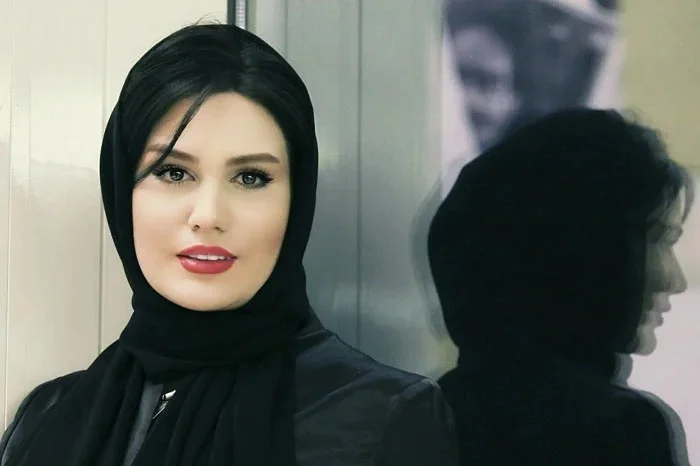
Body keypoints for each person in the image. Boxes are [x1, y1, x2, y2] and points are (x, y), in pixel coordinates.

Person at [0, 23, 459, 466]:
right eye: (174, 172)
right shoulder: (47, 418)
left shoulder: (382, 419)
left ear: (297, 200)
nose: (209, 215)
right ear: (122, 190)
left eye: (250, 178)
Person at [428, 108, 692, 465]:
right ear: (582, 248)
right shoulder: (620, 430)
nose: (674, 281)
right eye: (657, 239)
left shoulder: (417, 418)